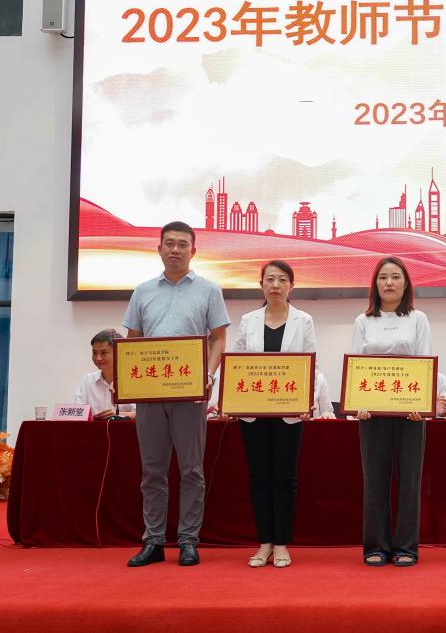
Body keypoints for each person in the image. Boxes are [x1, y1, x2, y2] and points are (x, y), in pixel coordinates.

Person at [122, 221, 230, 568]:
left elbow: (218, 339)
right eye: (169, 243)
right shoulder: (142, 292)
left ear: (193, 251)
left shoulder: (209, 290)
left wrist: (208, 377)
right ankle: (153, 542)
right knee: (152, 471)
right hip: (150, 395)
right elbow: (133, 342)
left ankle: (188, 541)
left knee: (192, 470)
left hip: (190, 395)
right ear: (159, 249)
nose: (175, 249)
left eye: (182, 244)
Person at [232, 260, 317, 569]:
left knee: (284, 478)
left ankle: (281, 543)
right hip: (253, 414)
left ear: (291, 286)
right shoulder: (248, 320)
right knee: (259, 478)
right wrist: (228, 402)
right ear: (261, 285)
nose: (275, 285)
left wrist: (308, 401)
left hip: (288, 412)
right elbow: (236, 363)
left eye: (282, 280)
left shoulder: (303, 320)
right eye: (270, 279)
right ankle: (264, 542)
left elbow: (311, 364)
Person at [352, 257, 434, 567]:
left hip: (410, 412)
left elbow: (425, 361)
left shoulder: (418, 318)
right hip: (372, 414)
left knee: (410, 481)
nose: (389, 283)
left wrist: (421, 405)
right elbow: (356, 364)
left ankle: (406, 547)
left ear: (406, 283)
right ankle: (376, 545)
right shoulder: (363, 321)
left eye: (395, 277)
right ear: (375, 284)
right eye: (383, 277)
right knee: (375, 480)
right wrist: (358, 404)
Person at [74, 328, 134, 420]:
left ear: (118, 352)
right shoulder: (87, 381)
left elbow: (143, 415)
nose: (98, 358)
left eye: (103, 353)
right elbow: (76, 413)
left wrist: (118, 414)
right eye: (94, 353)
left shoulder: (133, 380)